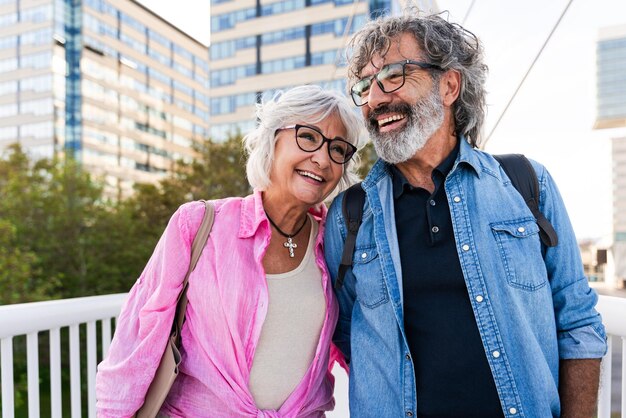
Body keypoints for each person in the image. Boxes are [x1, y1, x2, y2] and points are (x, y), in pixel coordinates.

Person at [324, 12, 608, 418]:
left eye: (392, 75)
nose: (374, 99)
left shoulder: (528, 185)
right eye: (365, 87)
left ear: (450, 85)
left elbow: (577, 322)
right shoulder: (348, 215)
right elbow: (351, 332)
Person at [96, 84, 362, 417]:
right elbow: (137, 340)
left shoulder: (337, 241)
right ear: (272, 139)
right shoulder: (198, 224)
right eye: (308, 137)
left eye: (338, 149)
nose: (322, 158)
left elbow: (358, 340)